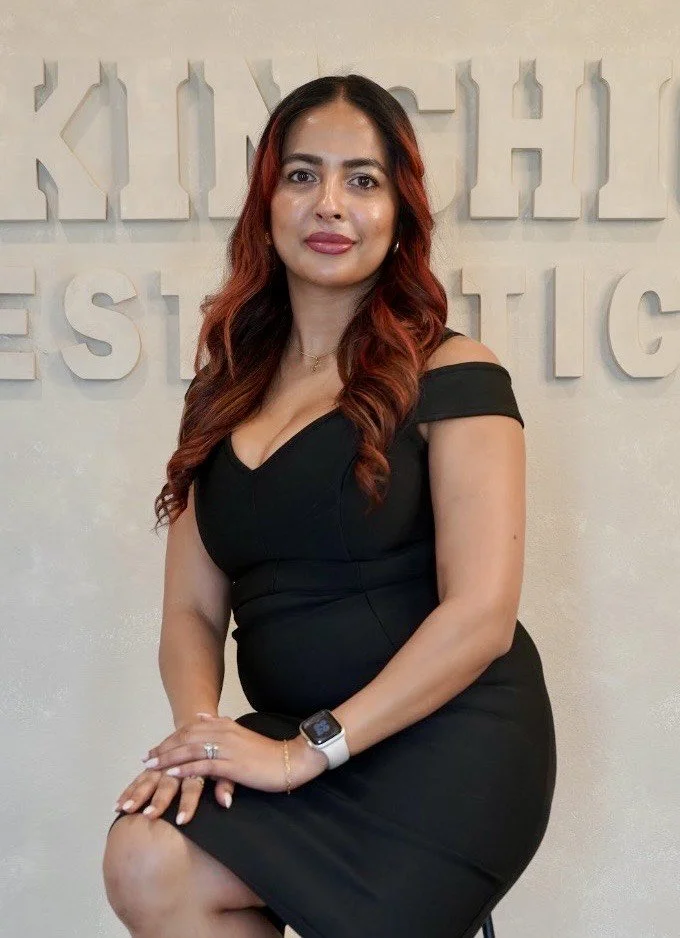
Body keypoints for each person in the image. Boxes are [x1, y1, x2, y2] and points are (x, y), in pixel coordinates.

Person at [102, 73, 557, 938]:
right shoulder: (223, 392)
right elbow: (192, 614)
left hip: (444, 745)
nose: (330, 205)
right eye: (303, 175)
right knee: (145, 854)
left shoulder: (455, 372)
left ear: (399, 212)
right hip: (280, 744)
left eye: (363, 179)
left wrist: (304, 751)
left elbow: (483, 615)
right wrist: (204, 739)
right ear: (267, 203)